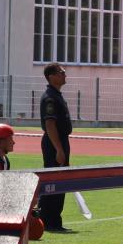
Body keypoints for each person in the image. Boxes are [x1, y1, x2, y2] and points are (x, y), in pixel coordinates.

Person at [38, 63, 73, 232]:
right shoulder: (50, 97)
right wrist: (59, 149)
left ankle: (53, 220)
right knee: (53, 181)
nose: (64, 74)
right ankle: (48, 220)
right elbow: (50, 124)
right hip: (55, 142)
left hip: (60, 141)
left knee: (60, 181)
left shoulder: (56, 95)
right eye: (61, 72)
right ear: (51, 77)